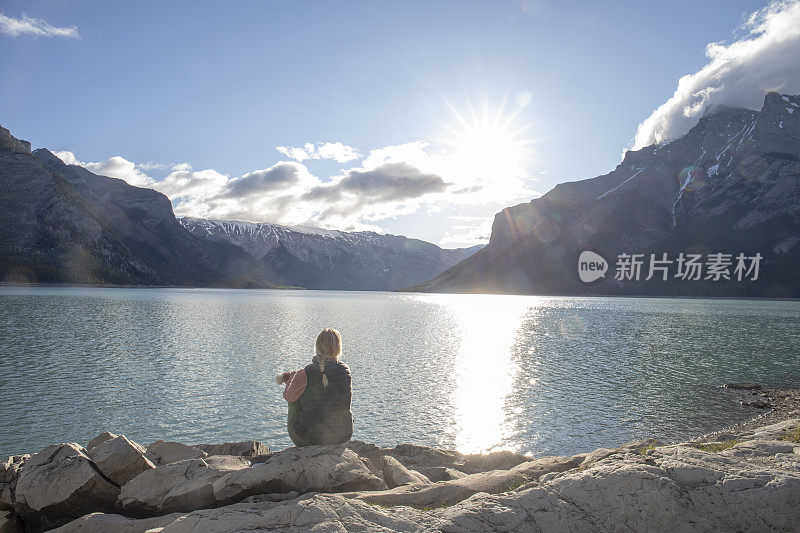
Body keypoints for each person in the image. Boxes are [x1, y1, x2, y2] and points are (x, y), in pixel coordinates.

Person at [277, 328, 353, 446]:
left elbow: (288, 396)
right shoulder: (345, 370)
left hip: (309, 440)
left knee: (293, 401)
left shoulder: (305, 373)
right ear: (338, 348)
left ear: (317, 347)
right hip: (342, 437)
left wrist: (290, 381)